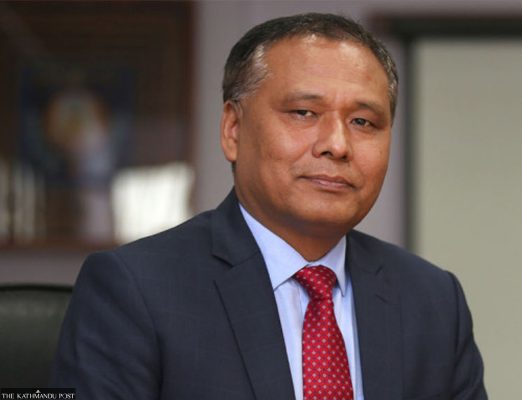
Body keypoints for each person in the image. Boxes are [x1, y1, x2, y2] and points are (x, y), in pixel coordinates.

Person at [52, 13, 487, 400]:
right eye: (303, 113)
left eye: (363, 122)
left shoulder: (432, 301)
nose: (337, 144)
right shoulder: (136, 290)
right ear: (233, 129)